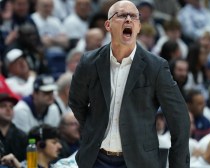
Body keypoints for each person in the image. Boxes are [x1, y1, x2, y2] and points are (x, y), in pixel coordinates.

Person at [68, 1, 190, 168]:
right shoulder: (89, 62)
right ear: (108, 25)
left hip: (138, 161)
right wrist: (94, 126)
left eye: (133, 16)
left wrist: (178, 164)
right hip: (96, 159)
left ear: (139, 26)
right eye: (121, 15)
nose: (128, 19)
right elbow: (76, 102)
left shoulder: (156, 66)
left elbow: (179, 117)